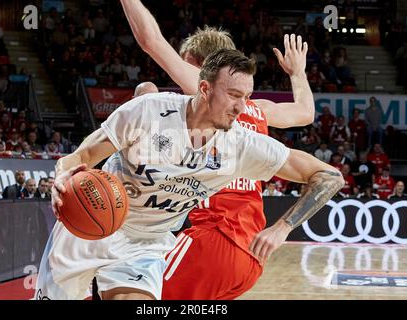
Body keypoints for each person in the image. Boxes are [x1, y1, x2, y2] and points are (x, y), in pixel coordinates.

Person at [34, 49, 344, 300]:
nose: (241, 107)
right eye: (234, 95)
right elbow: (82, 156)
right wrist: (63, 176)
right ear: (205, 87)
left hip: (145, 245)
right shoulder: (150, 110)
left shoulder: (241, 144)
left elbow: (329, 177)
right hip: (86, 230)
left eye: (246, 97)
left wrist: (283, 227)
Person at [119, 0, 317, 300]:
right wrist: (297, 72)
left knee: (128, 292)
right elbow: (305, 112)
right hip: (250, 254)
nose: (182, 76)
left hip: (215, 237)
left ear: (203, 67)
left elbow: (151, 41)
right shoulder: (256, 109)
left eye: (186, 65)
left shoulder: (204, 88)